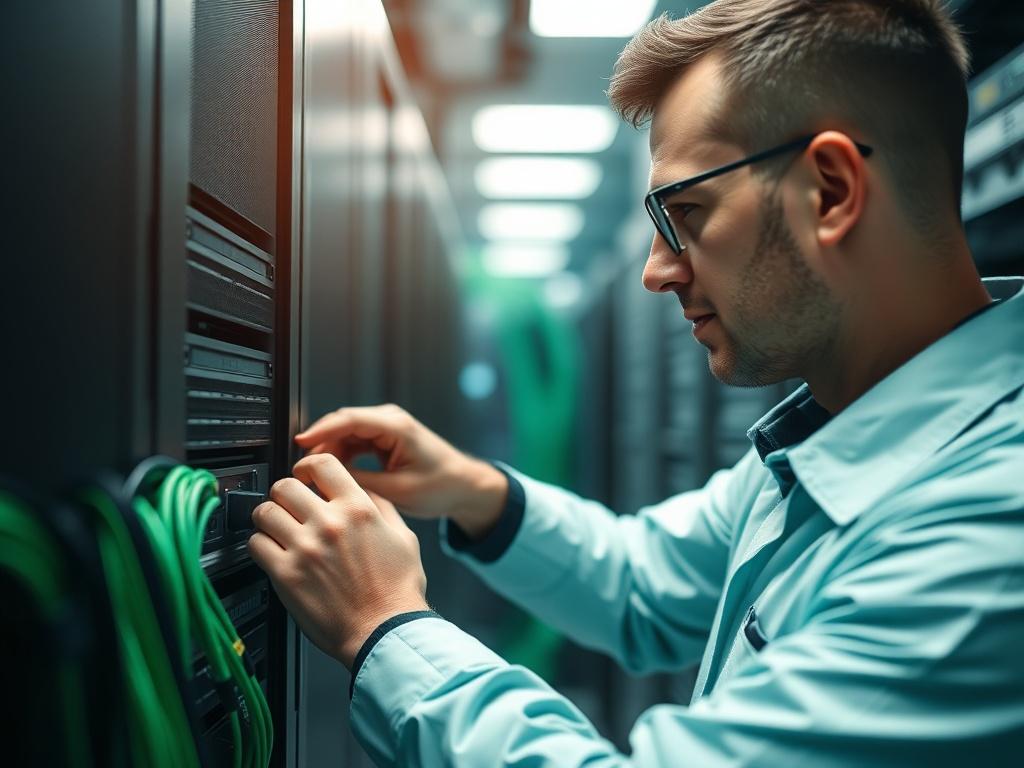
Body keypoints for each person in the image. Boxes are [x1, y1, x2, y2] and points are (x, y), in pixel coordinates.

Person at [247, 0, 1024, 764]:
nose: (656, 273)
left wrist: (387, 630)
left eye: (685, 211)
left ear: (830, 190)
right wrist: (472, 492)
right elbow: (645, 583)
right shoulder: (838, 431)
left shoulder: (986, 538)